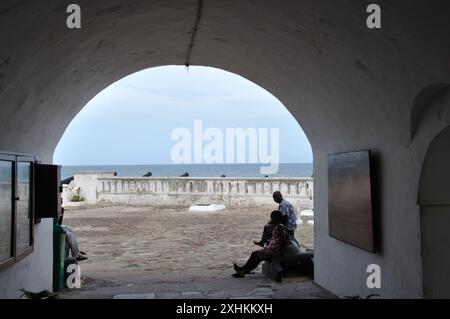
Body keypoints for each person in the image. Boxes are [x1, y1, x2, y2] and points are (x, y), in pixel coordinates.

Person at [233, 210, 286, 277]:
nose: (271, 219)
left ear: (276, 219)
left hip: (274, 250)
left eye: (272, 218)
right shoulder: (279, 226)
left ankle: (243, 270)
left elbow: (282, 240)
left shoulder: (280, 227)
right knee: (257, 258)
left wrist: (281, 251)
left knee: (255, 254)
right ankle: (244, 270)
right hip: (272, 248)